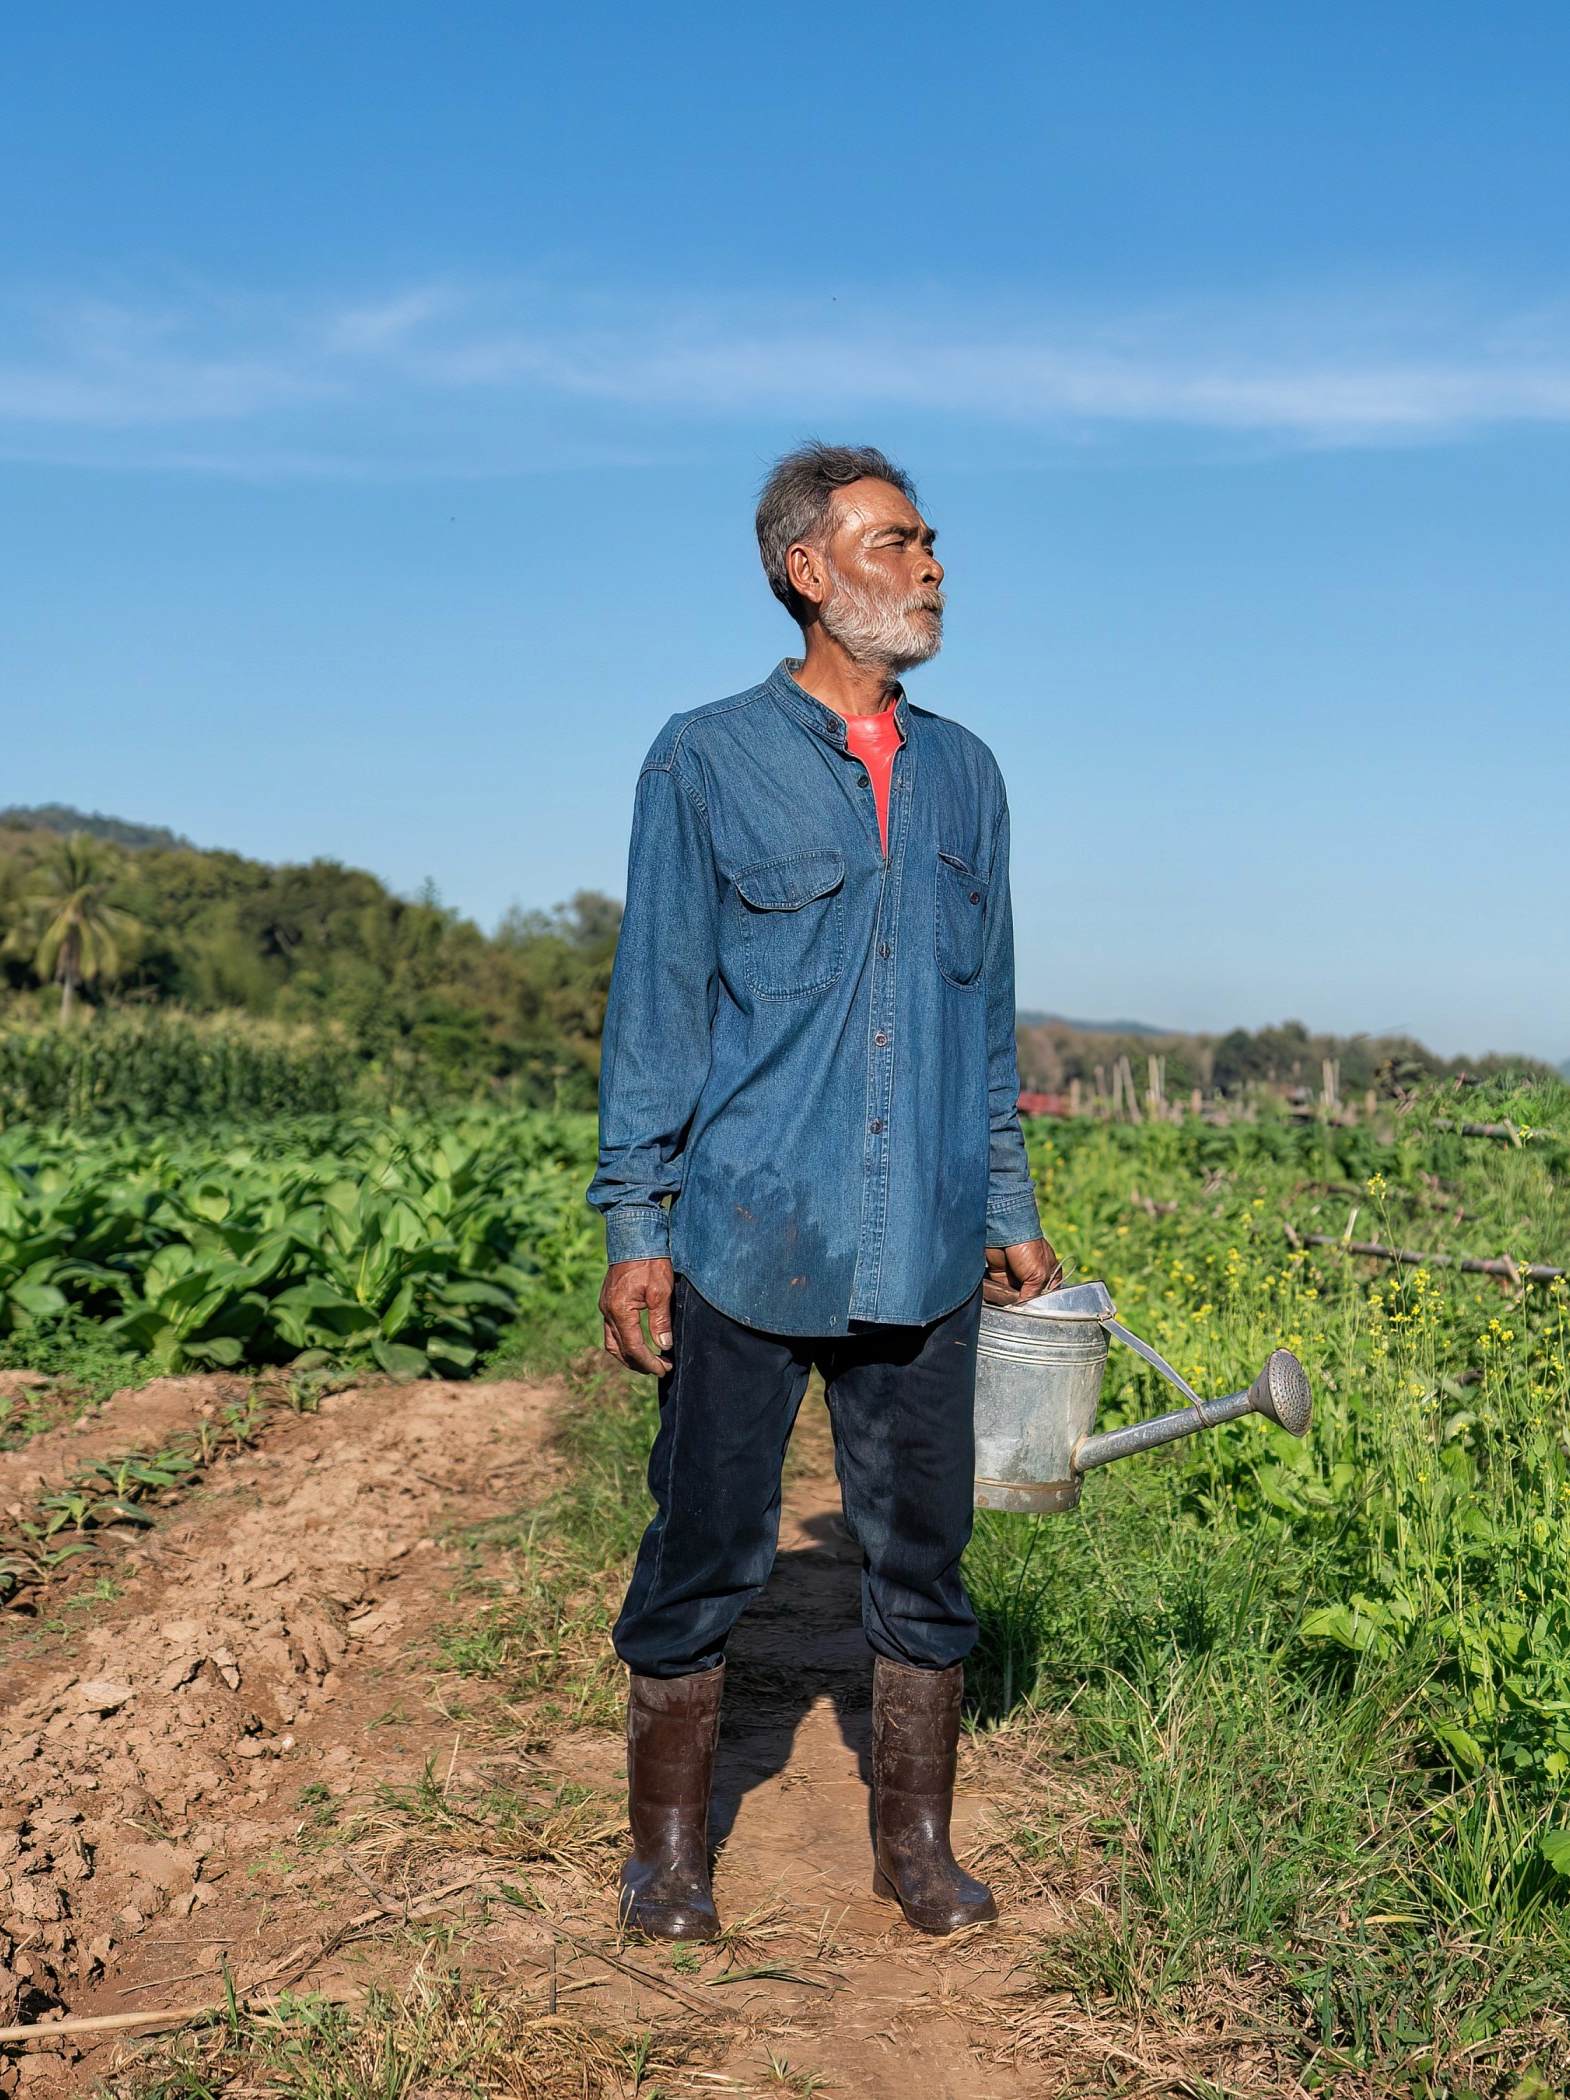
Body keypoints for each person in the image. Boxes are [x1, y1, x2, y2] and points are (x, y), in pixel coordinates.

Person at [586, 442, 1062, 1941]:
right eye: (896, 541)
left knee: (922, 1553)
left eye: (929, 543)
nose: (929, 565)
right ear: (808, 570)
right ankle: (669, 1855)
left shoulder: (965, 776)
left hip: (922, 1235)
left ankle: (913, 1846)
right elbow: (656, 1007)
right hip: (746, 1228)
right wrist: (636, 1228)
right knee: (704, 1545)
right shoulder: (704, 756)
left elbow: (985, 1018)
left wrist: (1005, 1202)